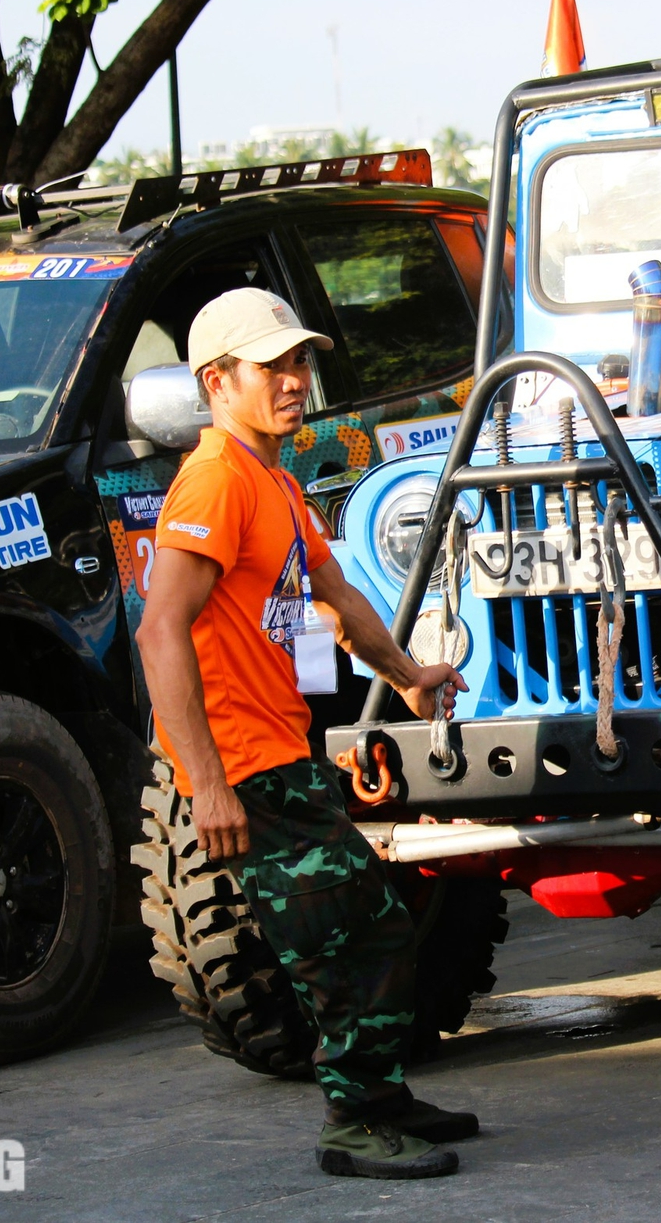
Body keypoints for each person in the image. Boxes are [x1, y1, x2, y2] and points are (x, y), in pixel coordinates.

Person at [135, 287, 472, 1181]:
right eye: (273, 365)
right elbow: (161, 630)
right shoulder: (213, 479)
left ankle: (382, 1094)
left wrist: (407, 677)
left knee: (377, 924)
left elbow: (337, 594)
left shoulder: (276, 483)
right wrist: (205, 782)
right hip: (243, 767)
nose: (296, 380)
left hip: (279, 756)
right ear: (217, 381)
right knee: (344, 942)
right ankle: (355, 1120)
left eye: (300, 361)